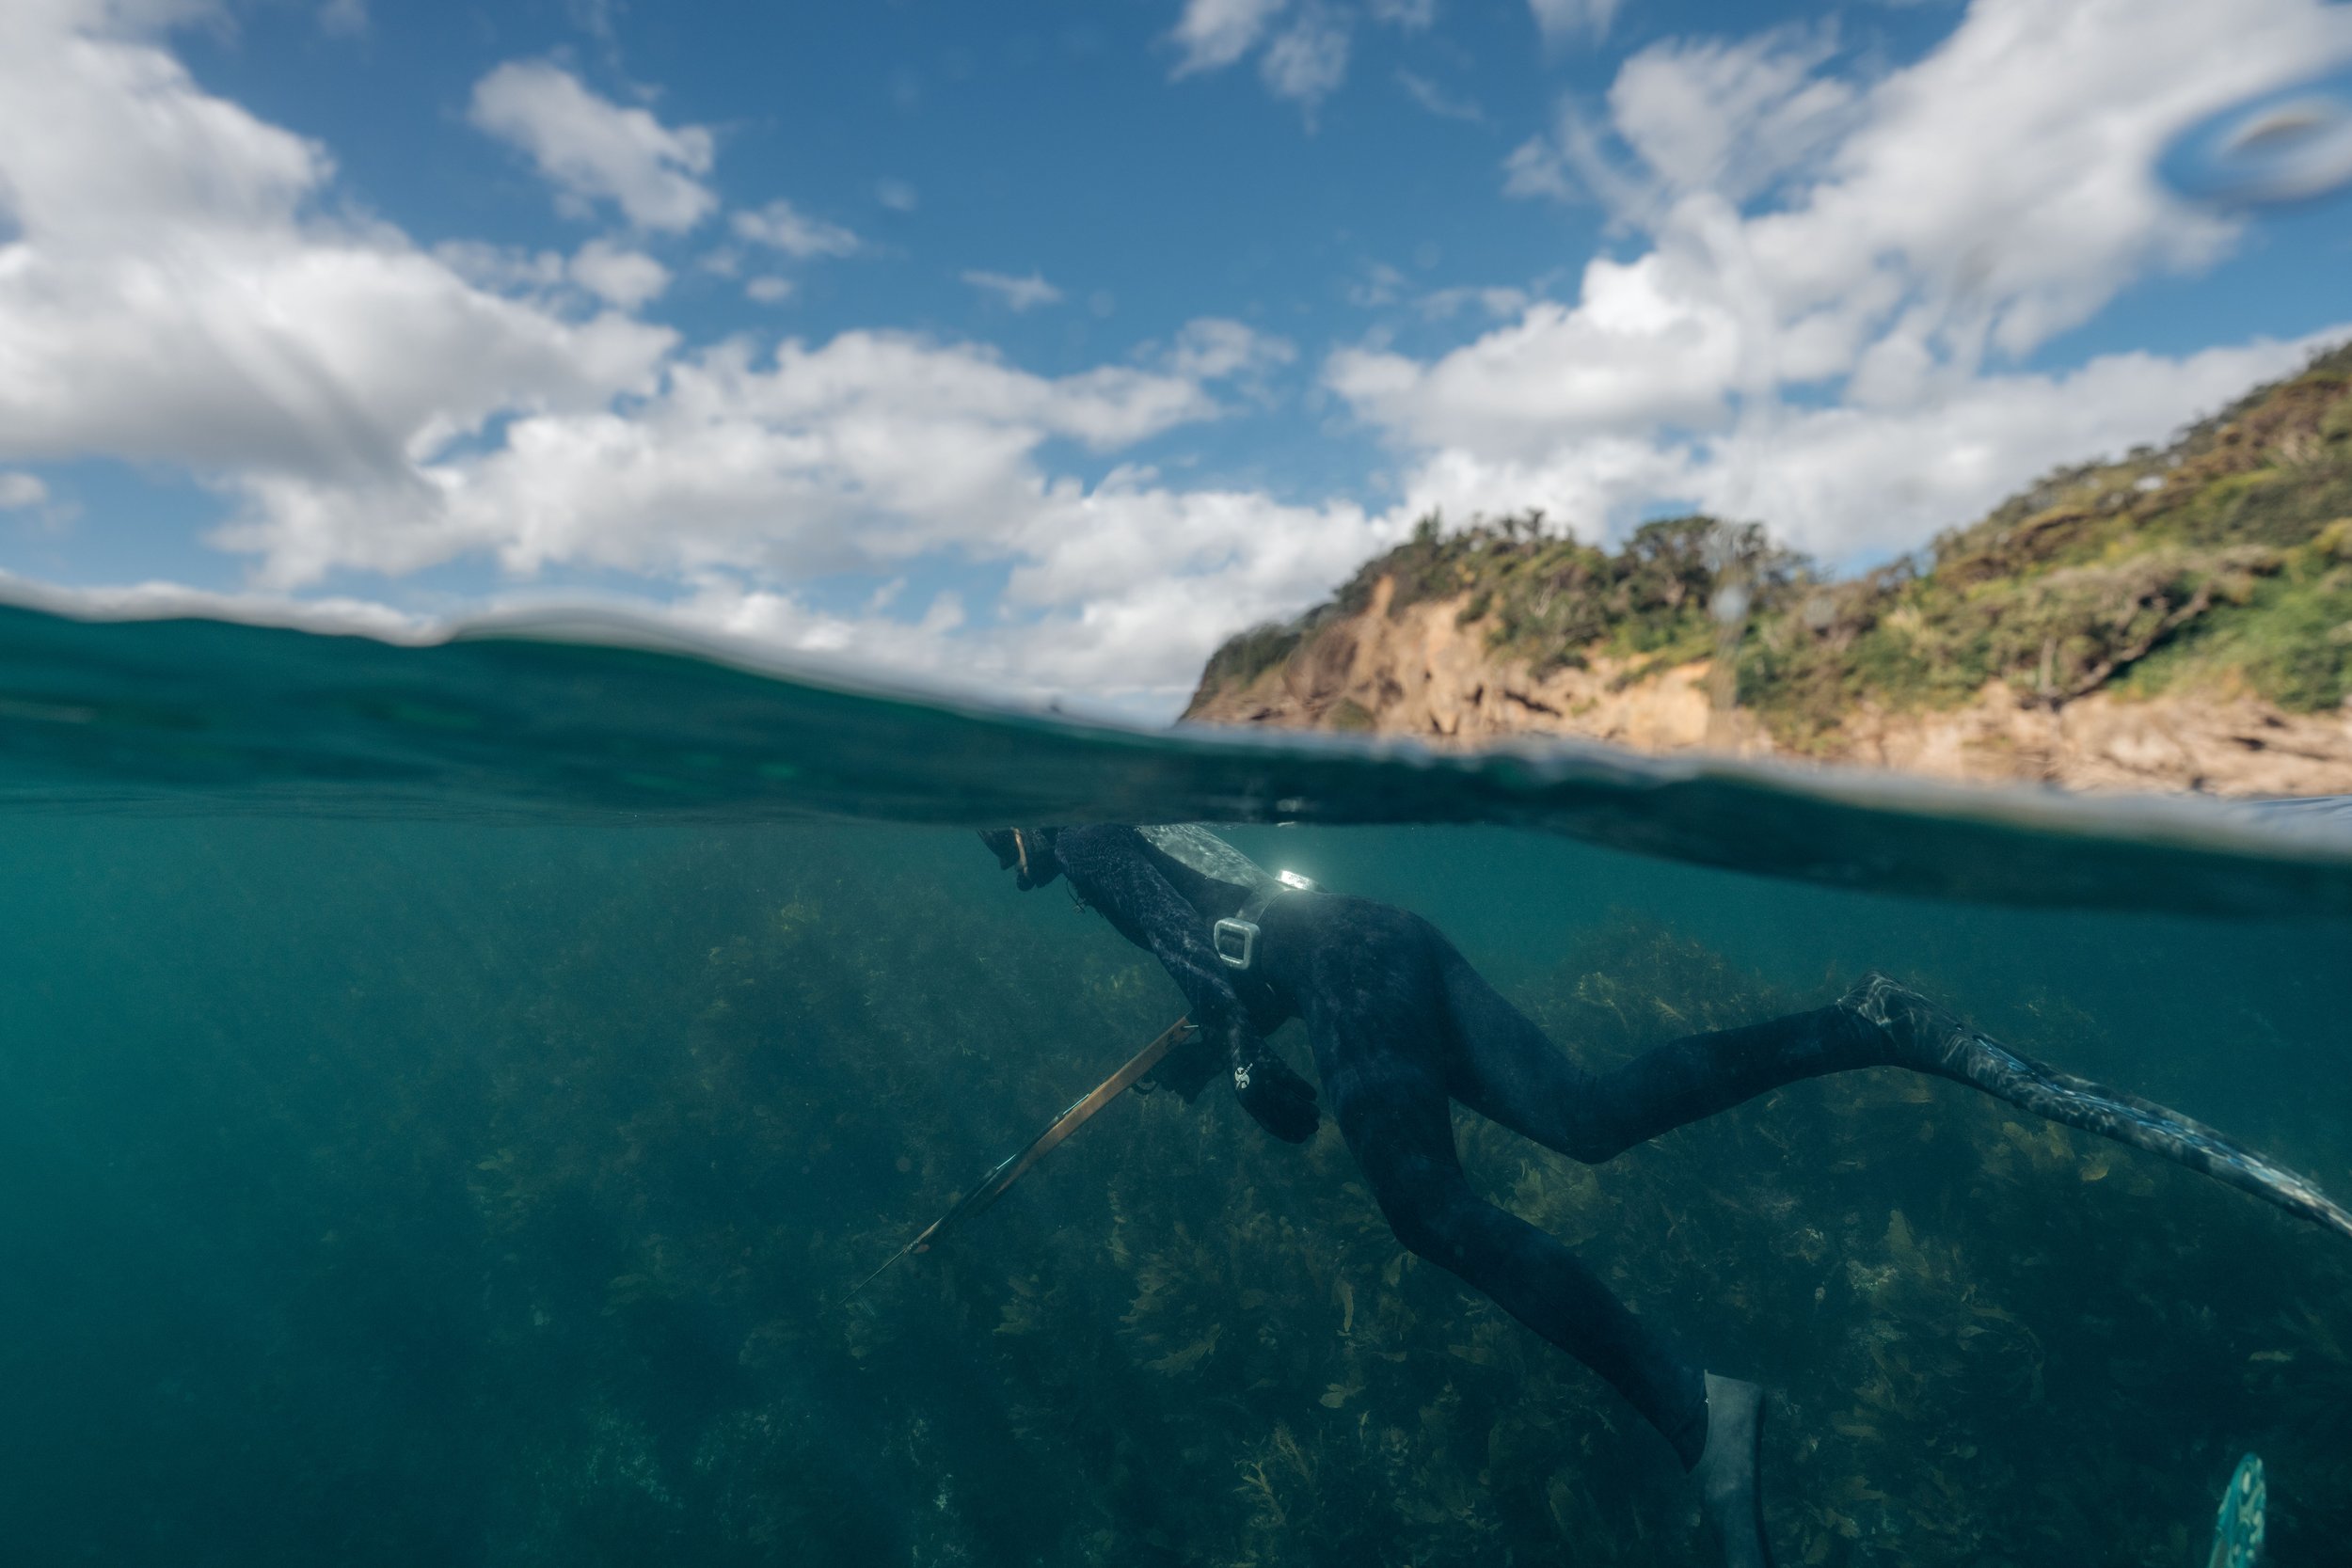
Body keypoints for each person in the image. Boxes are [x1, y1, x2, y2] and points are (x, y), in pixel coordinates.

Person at [978, 824, 2351, 1568]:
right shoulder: (1121, 815)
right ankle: (1871, 1023)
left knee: (1422, 1208)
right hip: (1369, 940)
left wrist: (1229, 1059)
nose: (1001, 857)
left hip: (1339, 970)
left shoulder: (1081, 834)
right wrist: (1220, 1040)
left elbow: (1206, 961)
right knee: (1586, 1115)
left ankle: (1702, 1410)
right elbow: (1227, 929)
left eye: (994, 835)